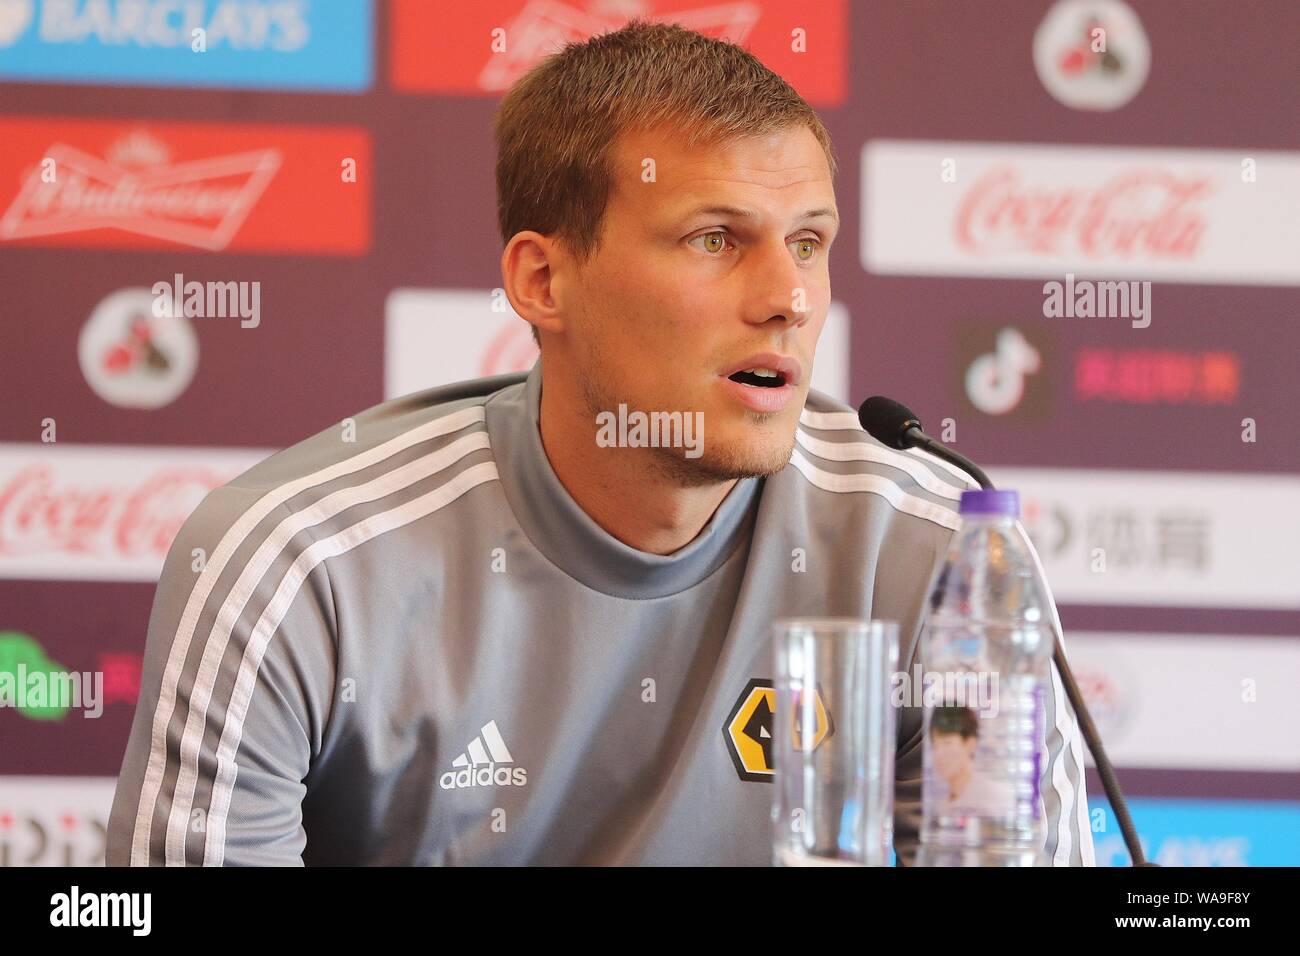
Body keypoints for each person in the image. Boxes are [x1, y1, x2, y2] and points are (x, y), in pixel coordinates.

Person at [106, 20, 1093, 866]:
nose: (787, 298)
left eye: (807, 241)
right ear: (542, 281)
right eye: (714, 237)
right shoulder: (296, 562)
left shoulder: (940, 556)